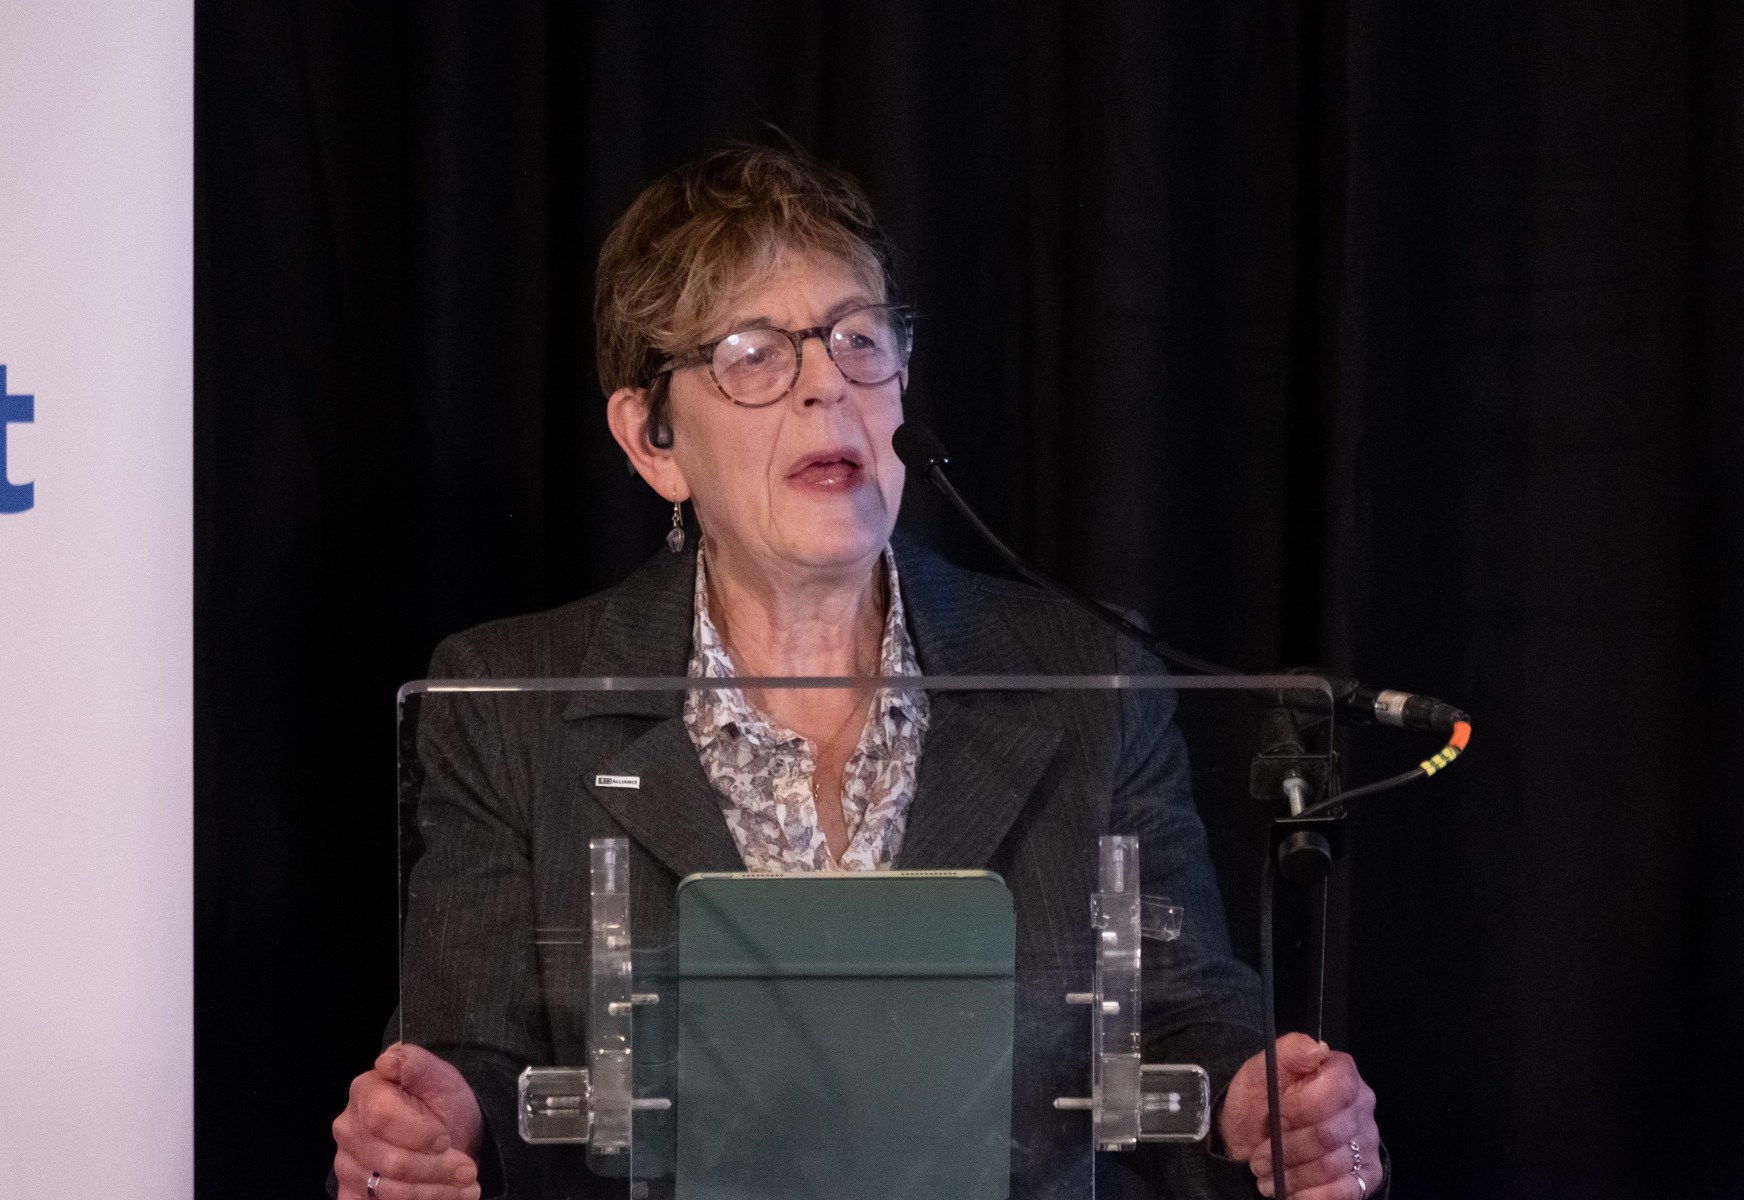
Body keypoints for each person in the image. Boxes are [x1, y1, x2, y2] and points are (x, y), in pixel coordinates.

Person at [331, 144, 1385, 1200]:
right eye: (753, 354)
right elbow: (467, 1058)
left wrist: (1263, 1107)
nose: (826, 385)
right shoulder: (509, 704)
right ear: (654, 442)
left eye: (858, 338)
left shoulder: (1086, 679)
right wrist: (431, 1131)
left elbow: (1187, 1014)